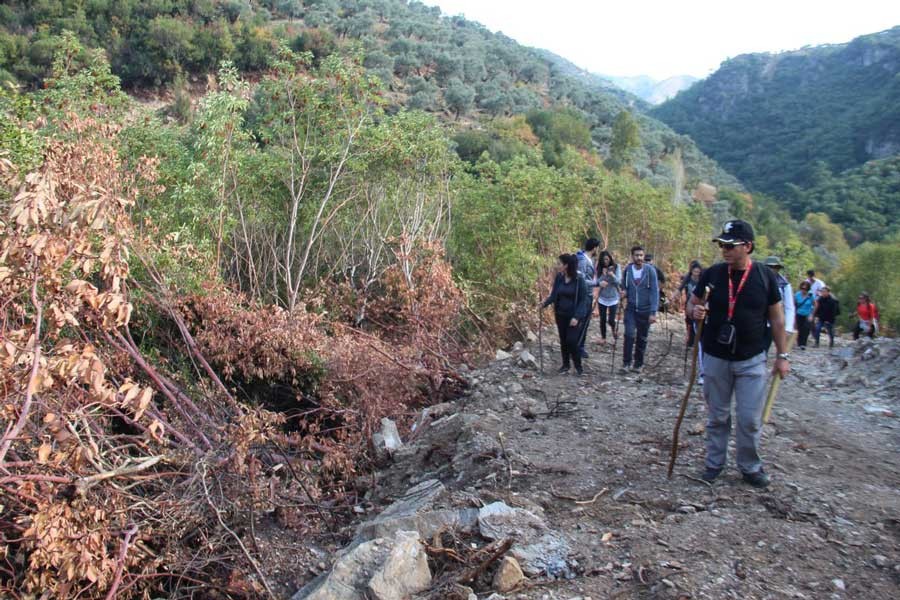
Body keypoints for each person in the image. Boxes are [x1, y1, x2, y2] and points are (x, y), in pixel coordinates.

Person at [688, 219, 789, 488]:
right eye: (722, 245)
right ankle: (714, 464)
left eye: (730, 245)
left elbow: (777, 320)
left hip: (752, 358)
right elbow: (692, 304)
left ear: (748, 246)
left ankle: (750, 466)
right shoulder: (712, 274)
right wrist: (694, 312)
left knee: (749, 418)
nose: (725, 250)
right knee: (718, 415)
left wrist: (782, 356)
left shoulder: (766, 277)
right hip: (716, 356)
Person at [542, 254, 592, 375]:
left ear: (566, 265)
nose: (557, 265)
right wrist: (544, 304)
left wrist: (577, 317)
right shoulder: (559, 278)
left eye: (559, 263)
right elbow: (554, 295)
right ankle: (565, 365)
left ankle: (578, 366)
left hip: (574, 316)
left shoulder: (579, 280)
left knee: (572, 341)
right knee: (563, 340)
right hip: (560, 314)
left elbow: (583, 300)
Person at [619, 245, 659, 374]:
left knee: (642, 337)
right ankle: (626, 363)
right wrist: (623, 292)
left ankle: (638, 364)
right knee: (629, 335)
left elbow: (654, 291)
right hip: (630, 308)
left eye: (641, 255)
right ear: (632, 256)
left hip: (645, 310)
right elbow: (624, 286)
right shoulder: (628, 270)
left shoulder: (650, 271)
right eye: (636, 255)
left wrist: (653, 312)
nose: (639, 258)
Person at [763, 256, 796, 352]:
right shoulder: (758, 280)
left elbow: (789, 307)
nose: (772, 269)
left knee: (780, 351)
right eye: (769, 267)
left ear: (778, 268)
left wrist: (789, 327)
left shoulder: (785, 285)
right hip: (760, 321)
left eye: (775, 267)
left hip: (776, 321)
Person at [575, 238, 601, 358]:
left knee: (585, 322)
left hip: (588, 295)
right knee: (581, 322)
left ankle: (580, 347)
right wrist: (596, 283)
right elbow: (581, 280)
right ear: (595, 247)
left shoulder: (589, 260)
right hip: (583, 295)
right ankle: (577, 348)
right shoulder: (582, 261)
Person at [596, 250, 622, 344]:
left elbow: (619, 281)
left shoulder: (616, 267)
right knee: (602, 319)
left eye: (607, 259)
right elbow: (598, 282)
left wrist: (612, 275)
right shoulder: (600, 268)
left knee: (611, 319)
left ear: (610, 258)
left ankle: (614, 331)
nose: (605, 261)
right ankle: (603, 338)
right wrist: (603, 275)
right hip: (602, 297)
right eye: (603, 260)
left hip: (613, 297)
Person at [675, 261, 703, 347]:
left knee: (698, 322)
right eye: (695, 272)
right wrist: (672, 298)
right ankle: (690, 340)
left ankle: (698, 340)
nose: (696, 274)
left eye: (698, 272)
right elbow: (680, 288)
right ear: (691, 271)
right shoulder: (688, 278)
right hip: (689, 303)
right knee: (689, 321)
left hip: (699, 303)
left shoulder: (702, 279)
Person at [794, 281, 816, 350]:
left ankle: (803, 344)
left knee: (806, 329)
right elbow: (794, 305)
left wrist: (812, 314)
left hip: (807, 314)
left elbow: (815, 304)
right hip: (798, 314)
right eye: (803, 288)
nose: (804, 290)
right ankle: (799, 343)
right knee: (799, 328)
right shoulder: (797, 295)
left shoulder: (810, 295)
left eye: (805, 289)